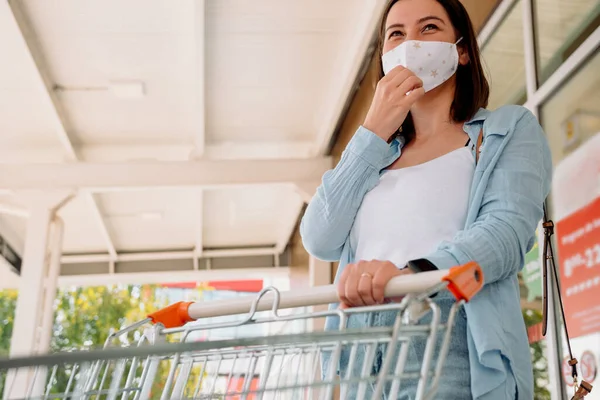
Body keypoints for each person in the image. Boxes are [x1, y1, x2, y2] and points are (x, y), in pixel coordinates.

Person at [300, 0, 553, 398]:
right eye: (396, 34)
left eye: (429, 28)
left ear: (463, 50)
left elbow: (505, 233)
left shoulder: (507, 130)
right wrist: (371, 131)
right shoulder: (378, 154)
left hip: (451, 338)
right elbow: (319, 237)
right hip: (365, 351)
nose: (410, 44)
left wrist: (412, 276)